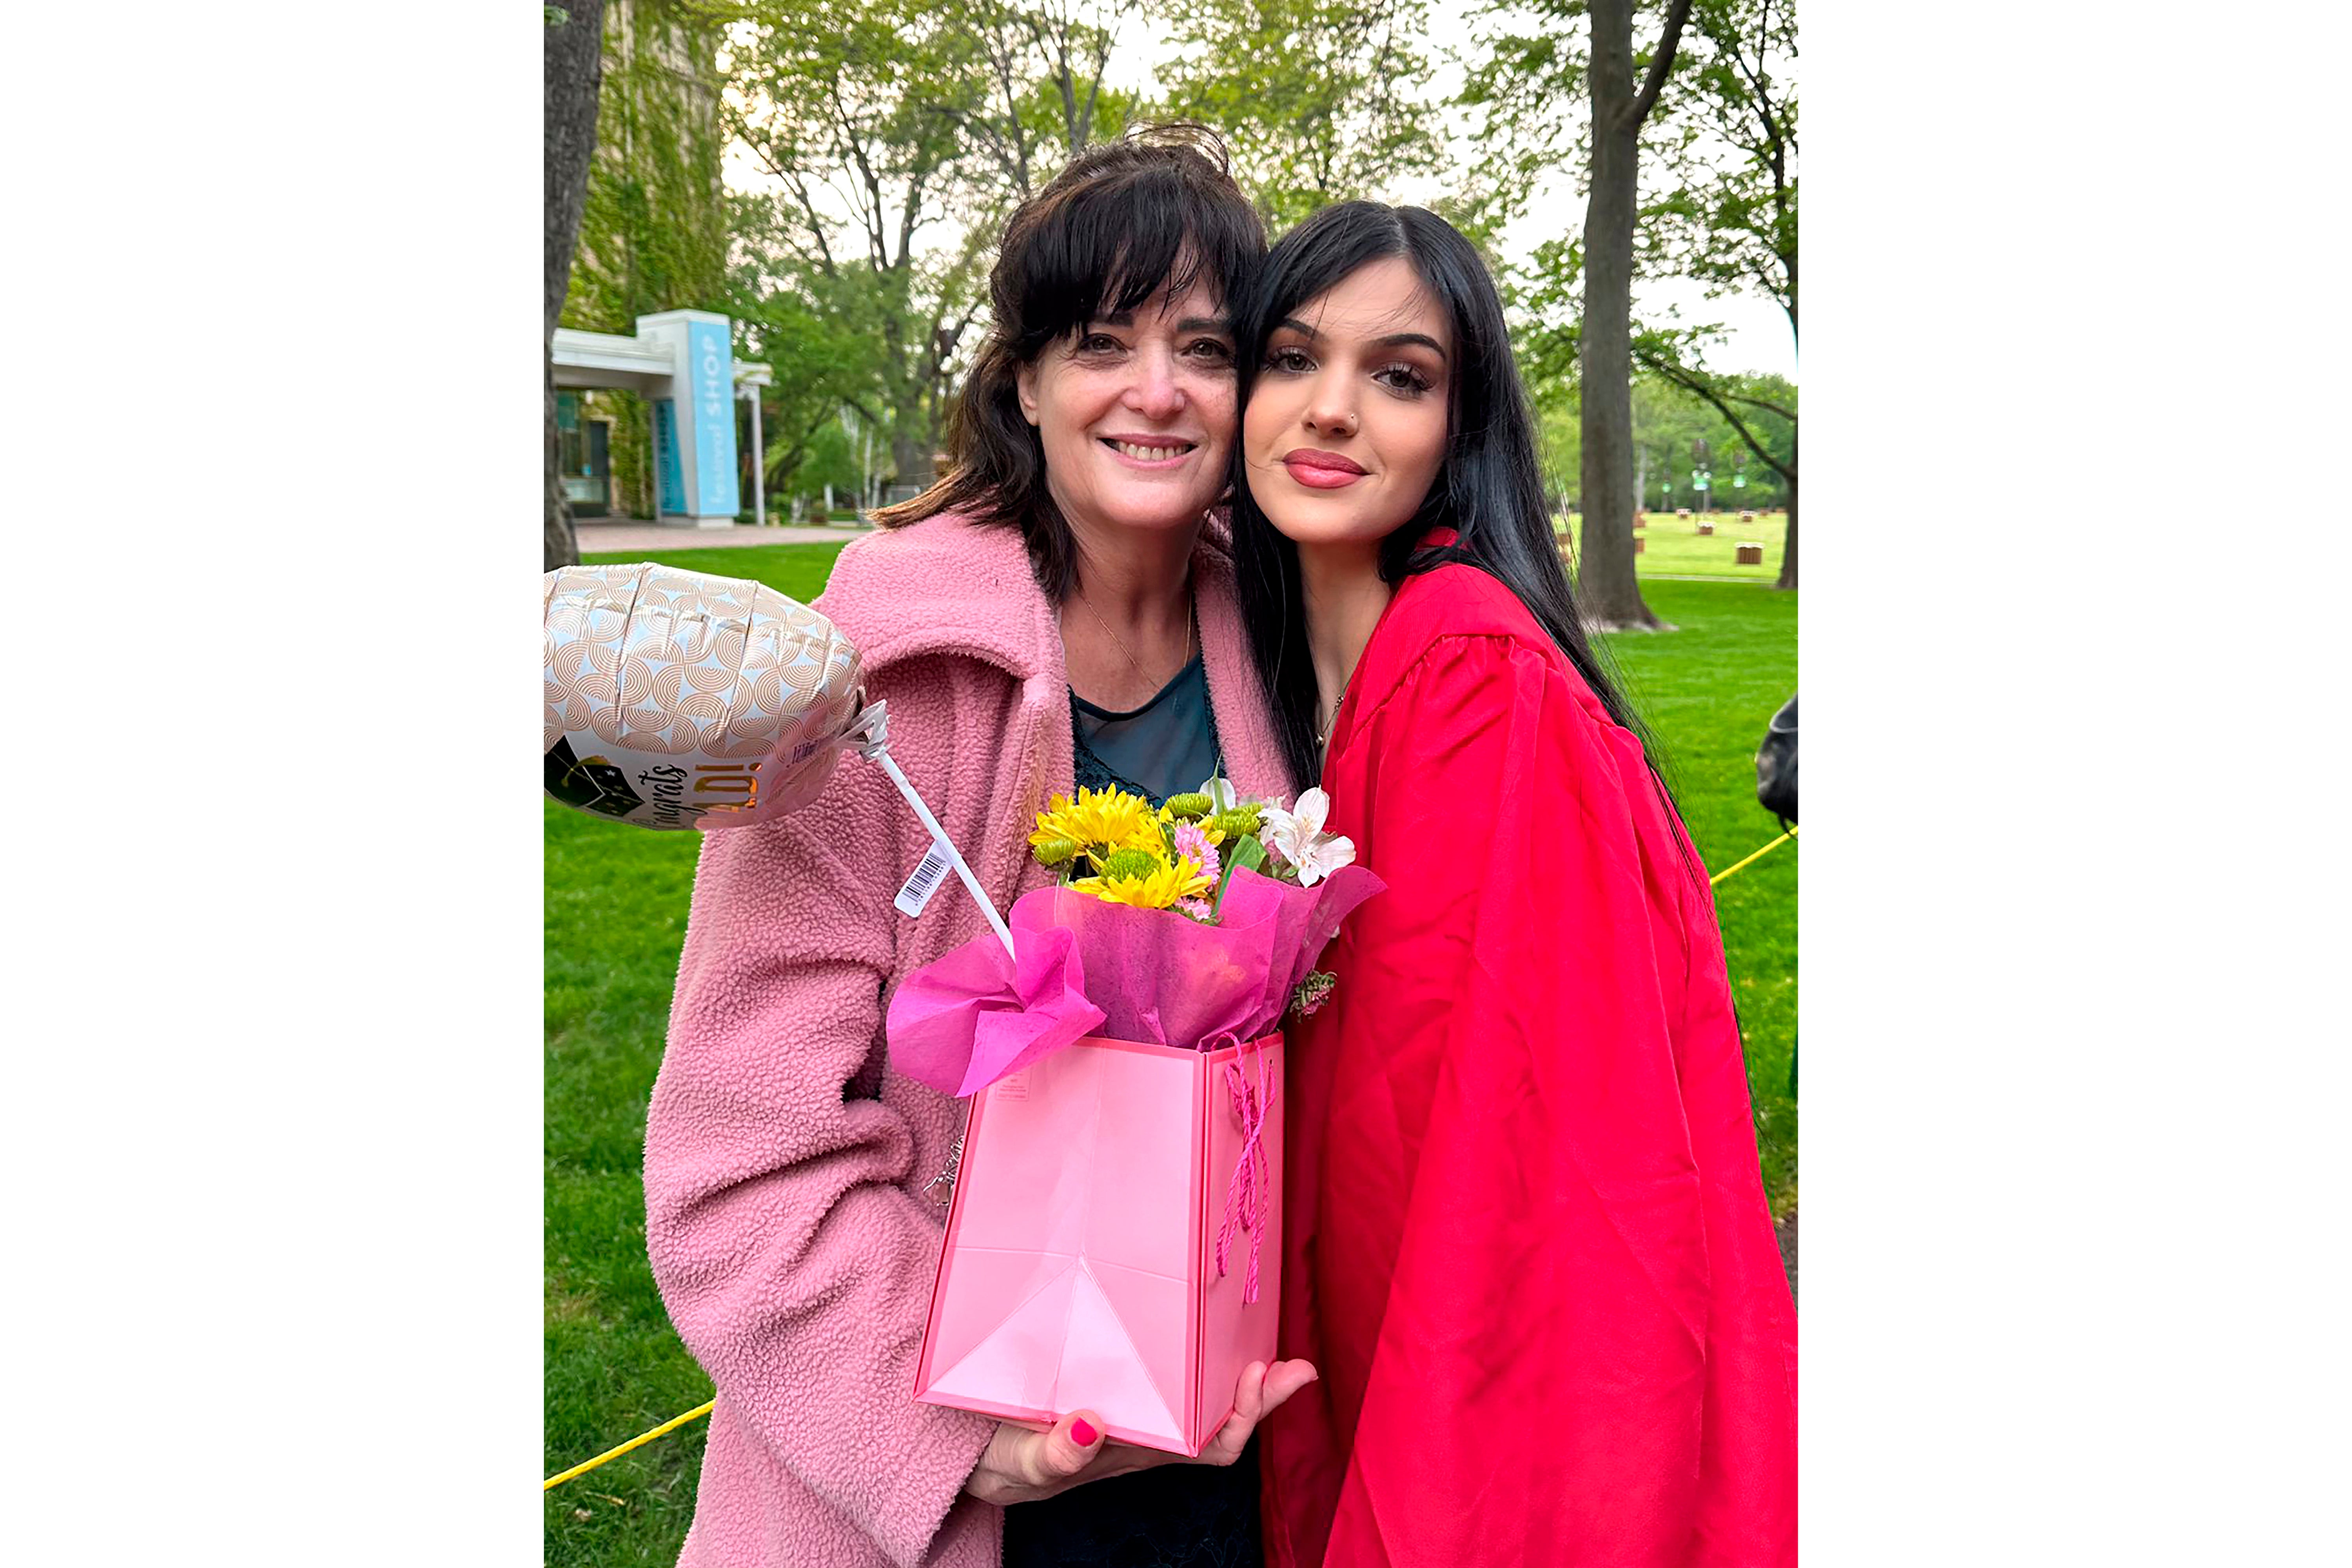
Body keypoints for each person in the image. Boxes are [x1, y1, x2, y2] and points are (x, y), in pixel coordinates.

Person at [642, 128, 1316, 1568]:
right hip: (949, 1493)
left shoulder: (1284, 652)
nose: (1156, 391)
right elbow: (744, 1156)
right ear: (1023, 379)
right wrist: (961, 1437)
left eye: (1203, 346)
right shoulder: (874, 684)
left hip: (1225, 1463)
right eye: (1100, 342)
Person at [1228, 201, 1799, 1566]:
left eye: (1401, 377)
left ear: (1460, 425)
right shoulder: (1316, 684)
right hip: (1349, 1339)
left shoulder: (1478, 684)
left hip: (1489, 1420)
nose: (1333, 412)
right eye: (1293, 359)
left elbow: (1535, 1171)